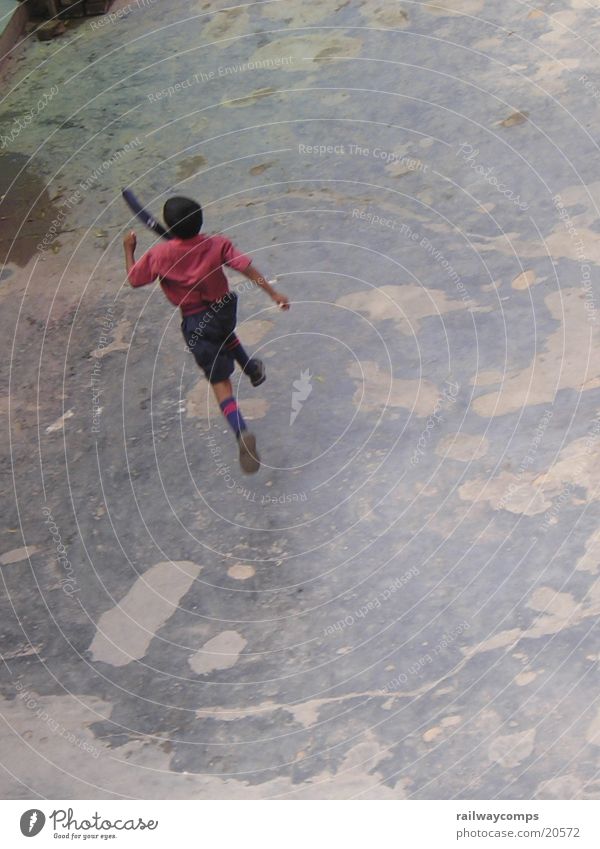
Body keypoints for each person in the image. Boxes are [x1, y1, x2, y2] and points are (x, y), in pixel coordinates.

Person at [123, 196, 289, 474]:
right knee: (225, 333)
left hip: (195, 319)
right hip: (223, 307)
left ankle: (241, 431)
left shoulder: (158, 256)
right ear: (200, 222)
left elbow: (134, 279)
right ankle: (251, 369)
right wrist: (273, 294)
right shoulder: (216, 244)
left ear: (170, 227)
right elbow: (246, 268)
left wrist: (129, 250)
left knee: (219, 382)